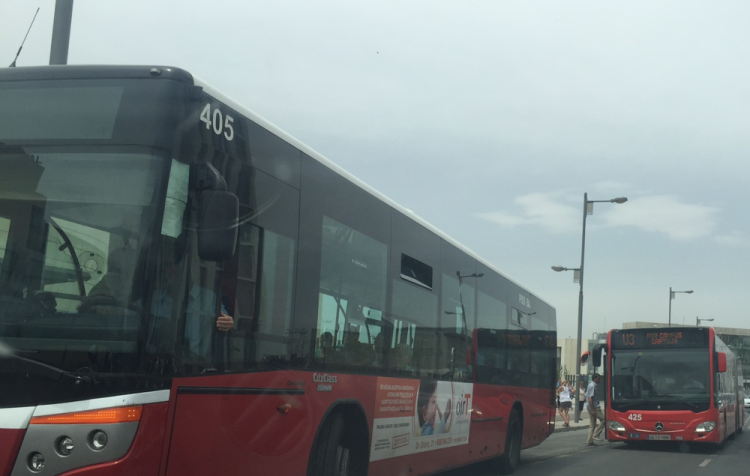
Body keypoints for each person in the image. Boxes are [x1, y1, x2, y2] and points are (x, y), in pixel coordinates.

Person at [586, 373, 605, 446]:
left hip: (590, 406)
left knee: (592, 424)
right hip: (594, 407)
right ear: (594, 378)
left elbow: (586, 396)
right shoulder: (592, 386)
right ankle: (596, 435)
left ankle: (589, 440)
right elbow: (590, 398)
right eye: (598, 378)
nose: (599, 379)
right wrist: (593, 409)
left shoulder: (590, 385)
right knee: (603, 420)